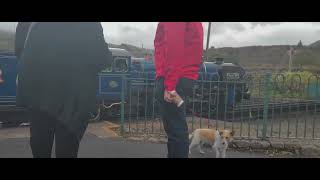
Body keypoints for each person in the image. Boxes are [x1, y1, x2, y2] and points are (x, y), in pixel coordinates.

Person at [16, 22, 112, 158]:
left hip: (37, 87)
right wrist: (109, 57)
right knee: (67, 149)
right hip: (72, 94)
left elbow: (19, 48)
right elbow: (100, 57)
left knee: (40, 143)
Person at [154, 22, 203, 158]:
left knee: (175, 131)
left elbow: (173, 48)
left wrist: (170, 85)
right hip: (182, 76)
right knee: (176, 130)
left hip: (175, 77)